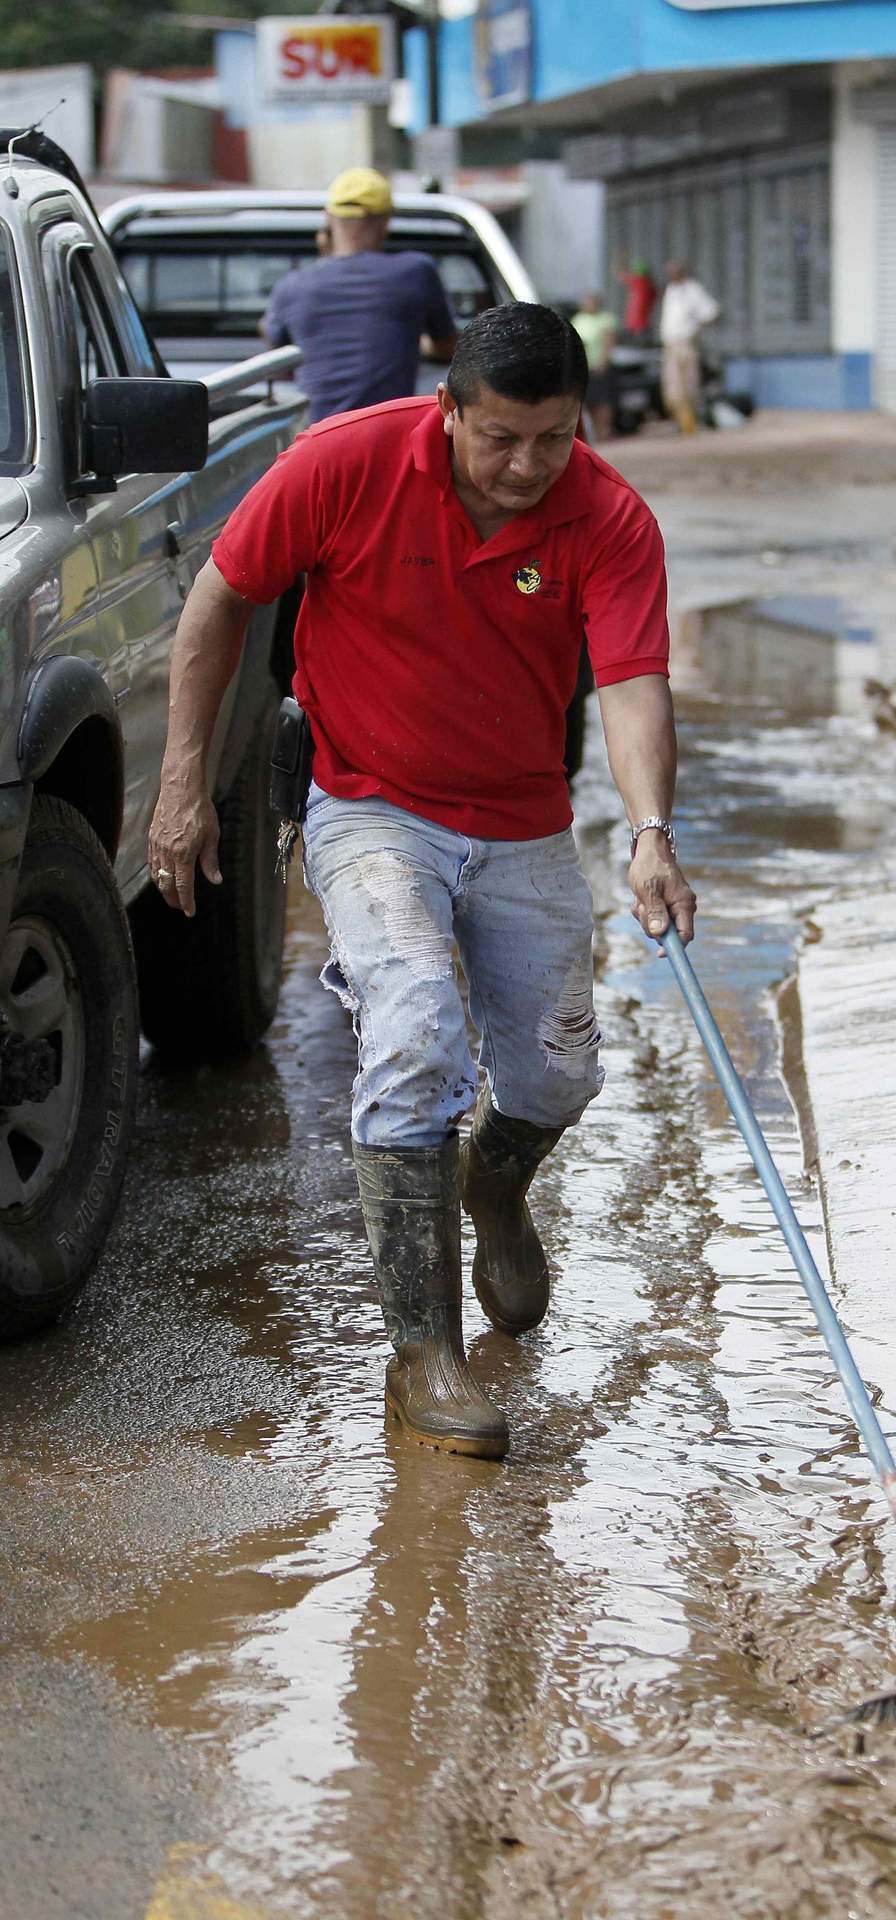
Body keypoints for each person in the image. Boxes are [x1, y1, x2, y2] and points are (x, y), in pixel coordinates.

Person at [147, 304, 696, 1464]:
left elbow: (632, 681)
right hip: (369, 802)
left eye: (553, 439)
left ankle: (492, 1187)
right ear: (447, 410)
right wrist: (183, 783)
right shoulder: (342, 464)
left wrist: (651, 832)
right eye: (500, 439)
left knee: (557, 1070)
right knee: (414, 1034)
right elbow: (219, 600)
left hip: (521, 815)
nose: (527, 467)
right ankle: (423, 1358)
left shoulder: (606, 516)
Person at [260, 166, 458, 422]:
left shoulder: (292, 286)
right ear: (385, 222)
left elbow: (277, 352)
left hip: (321, 436)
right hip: (387, 433)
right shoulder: (416, 271)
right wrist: (416, 342)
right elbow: (447, 348)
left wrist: (324, 260)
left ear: (328, 218)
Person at [658, 260, 719, 435]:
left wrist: (695, 328)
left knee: (689, 385)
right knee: (673, 388)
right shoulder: (671, 290)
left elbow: (711, 311)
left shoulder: (692, 290)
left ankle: (690, 423)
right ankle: (681, 421)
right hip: (670, 345)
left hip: (686, 344)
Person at [570, 290, 618, 441]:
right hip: (584, 366)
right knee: (588, 401)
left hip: (599, 366)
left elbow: (609, 343)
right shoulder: (578, 319)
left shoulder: (605, 319)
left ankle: (604, 431)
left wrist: (603, 362)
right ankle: (592, 433)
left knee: (602, 401)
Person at [617, 257, 657, 339]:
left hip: (637, 327)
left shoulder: (640, 283)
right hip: (643, 325)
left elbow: (622, 276)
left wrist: (620, 264)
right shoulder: (651, 286)